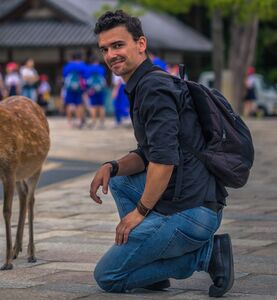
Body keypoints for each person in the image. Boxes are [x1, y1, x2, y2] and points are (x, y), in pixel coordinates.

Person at [89, 10, 233, 297]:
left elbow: (163, 161)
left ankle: (206, 256)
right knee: (118, 180)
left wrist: (140, 213)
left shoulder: (153, 88)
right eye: (105, 49)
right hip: (191, 200)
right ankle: (154, 269)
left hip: (192, 213)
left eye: (118, 45)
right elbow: (146, 153)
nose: (110, 54)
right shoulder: (144, 84)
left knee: (109, 276)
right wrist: (112, 166)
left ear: (140, 44)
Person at [62, 53, 87, 128]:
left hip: (69, 88)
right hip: (79, 88)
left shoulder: (67, 66)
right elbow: (86, 76)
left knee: (69, 104)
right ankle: (79, 121)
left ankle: (69, 122)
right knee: (79, 104)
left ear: (71, 58)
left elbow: (64, 76)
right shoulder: (82, 65)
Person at [86, 58, 107, 129]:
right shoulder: (101, 68)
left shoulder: (89, 68)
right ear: (97, 61)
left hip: (92, 90)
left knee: (93, 106)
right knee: (101, 106)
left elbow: (87, 80)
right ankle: (102, 123)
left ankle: (94, 122)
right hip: (101, 89)